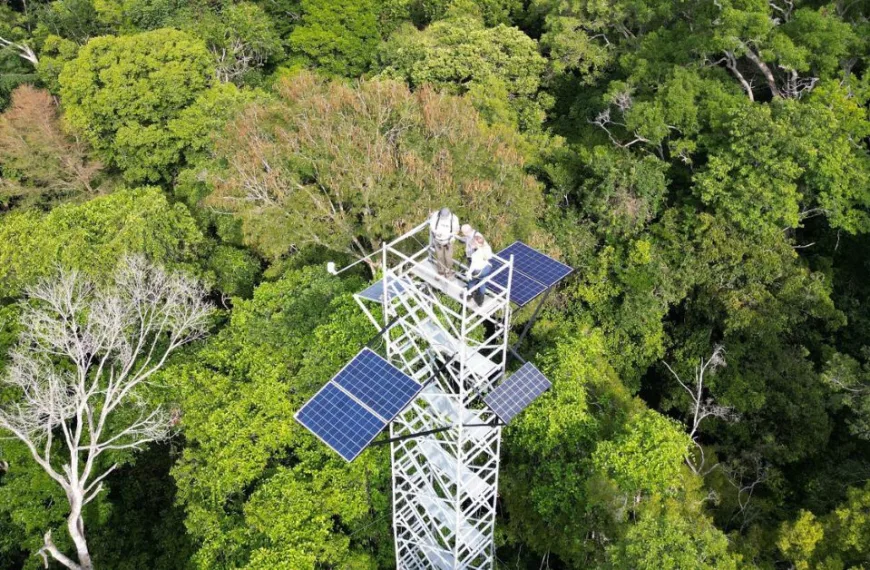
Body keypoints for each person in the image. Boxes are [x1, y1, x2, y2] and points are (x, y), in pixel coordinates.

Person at [429, 207, 460, 278]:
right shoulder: (436, 215)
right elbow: (432, 226)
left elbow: (456, 230)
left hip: (448, 241)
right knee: (440, 257)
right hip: (438, 241)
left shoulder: (454, 219)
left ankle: (448, 271)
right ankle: (441, 271)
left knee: (448, 258)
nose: (442, 217)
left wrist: (447, 234)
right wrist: (436, 232)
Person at [466, 234, 493, 306]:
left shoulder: (476, 254)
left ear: (477, 244)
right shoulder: (486, 248)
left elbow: (473, 266)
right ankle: (480, 301)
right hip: (487, 268)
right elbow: (489, 257)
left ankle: (469, 295)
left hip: (479, 271)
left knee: (471, 282)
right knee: (482, 282)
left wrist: (469, 273)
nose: (472, 244)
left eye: (473, 243)